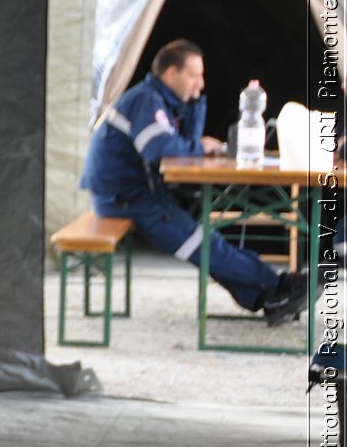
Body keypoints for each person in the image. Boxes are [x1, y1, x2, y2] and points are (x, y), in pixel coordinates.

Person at [81, 38, 308, 325]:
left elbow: (182, 142)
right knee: (203, 244)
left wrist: (195, 105)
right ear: (171, 73)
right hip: (125, 200)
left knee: (206, 242)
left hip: (135, 195)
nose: (200, 83)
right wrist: (200, 145)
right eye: (194, 75)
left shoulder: (159, 99)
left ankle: (268, 296)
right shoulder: (146, 100)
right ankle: (279, 287)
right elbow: (161, 148)